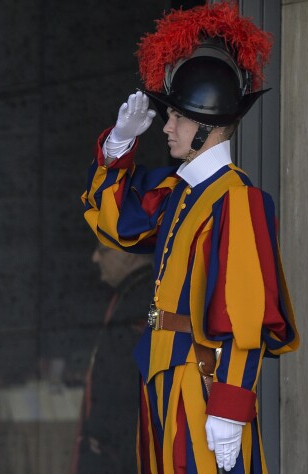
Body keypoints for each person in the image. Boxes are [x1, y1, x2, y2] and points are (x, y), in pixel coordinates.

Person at [80, 3, 299, 473]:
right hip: (162, 370)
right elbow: (116, 221)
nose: (167, 126)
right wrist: (119, 145)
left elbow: (245, 314)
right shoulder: (179, 192)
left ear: (206, 126)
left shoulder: (238, 199)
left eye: (177, 117)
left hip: (201, 378)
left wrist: (231, 404)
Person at [70, 245, 153, 473]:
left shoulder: (145, 298)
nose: (95, 257)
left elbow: (129, 380)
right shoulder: (128, 293)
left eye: (103, 250)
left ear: (128, 253)